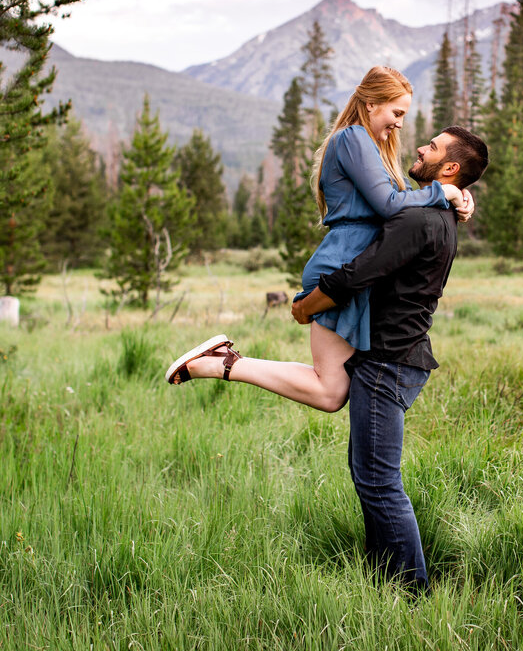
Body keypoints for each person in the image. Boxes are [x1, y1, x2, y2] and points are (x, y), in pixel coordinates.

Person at [163, 66, 472, 411]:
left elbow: (403, 207)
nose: (400, 122)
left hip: (356, 266)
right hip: (343, 267)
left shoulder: (371, 147)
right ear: (371, 103)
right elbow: (389, 205)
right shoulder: (353, 138)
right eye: (396, 112)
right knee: (329, 392)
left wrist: (456, 195)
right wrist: (444, 192)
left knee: (333, 390)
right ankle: (220, 364)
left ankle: (222, 362)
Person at [291, 125, 488, 593]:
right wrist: (457, 199)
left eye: (433, 147)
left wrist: (306, 306)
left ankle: (412, 594)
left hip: (388, 363)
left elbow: (362, 272)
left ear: (450, 168)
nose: (420, 147)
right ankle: (386, 580)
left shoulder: (419, 220)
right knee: (370, 477)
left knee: (379, 481)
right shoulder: (436, 215)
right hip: (395, 360)